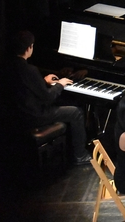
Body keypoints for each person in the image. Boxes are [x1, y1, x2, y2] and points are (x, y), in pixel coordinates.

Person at [7, 30, 89, 165]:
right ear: (29, 48)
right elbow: (48, 97)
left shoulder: (8, 65)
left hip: (18, 112)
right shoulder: (29, 70)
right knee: (75, 112)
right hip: (34, 115)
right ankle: (80, 155)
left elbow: (29, 87)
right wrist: (60, 84)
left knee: (68, 102)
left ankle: (69, 148)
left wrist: (44, 82)